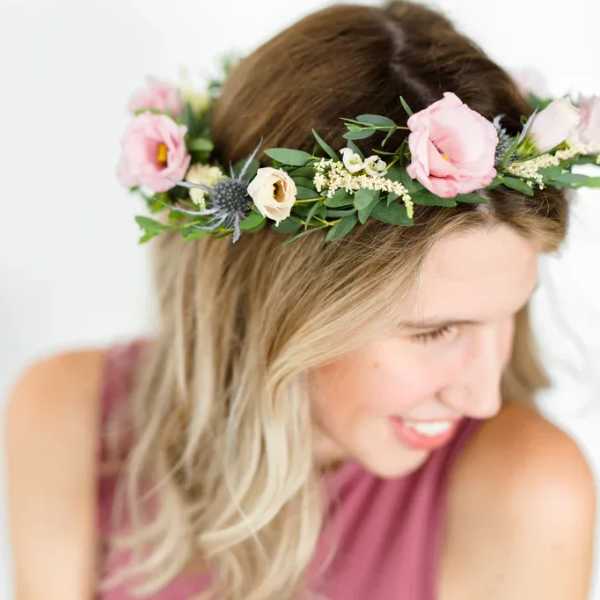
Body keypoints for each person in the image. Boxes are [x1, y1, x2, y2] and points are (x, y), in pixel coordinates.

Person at [4, 1, 597, 599]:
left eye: (509, 314)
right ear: (282, 301)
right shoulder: (73, 423)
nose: (483, 397)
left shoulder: (526, 495)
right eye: (434, 332)